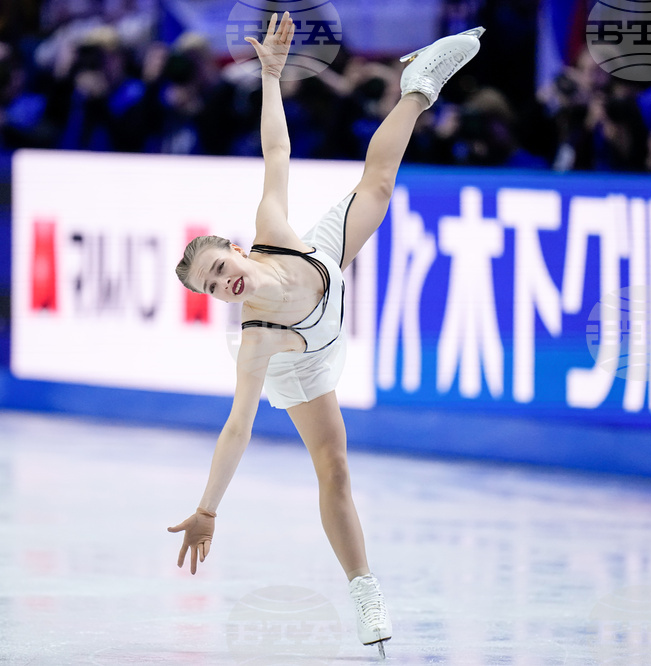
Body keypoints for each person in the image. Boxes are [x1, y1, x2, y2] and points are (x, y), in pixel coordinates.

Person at [168, 13, 484, 656]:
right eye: (212, 287)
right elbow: (237, 428)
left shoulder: (271, 227)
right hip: (302, 357)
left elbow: (276, 152)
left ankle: (419, 86)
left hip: (317, 264)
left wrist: (271, 76)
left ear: (236, 249)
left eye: (220, 268)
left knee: (379, 184)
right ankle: (365, 590)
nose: (224, 283)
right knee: (334, 466)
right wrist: (207, 508)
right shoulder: (256, 342)